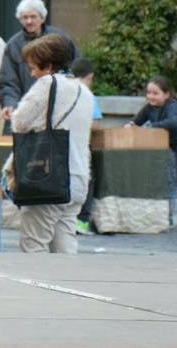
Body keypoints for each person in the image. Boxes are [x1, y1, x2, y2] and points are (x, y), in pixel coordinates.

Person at [11, 33, 93, 254]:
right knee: (65, 243)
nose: (32, 73)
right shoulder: (84, 92)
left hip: (48, 176)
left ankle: (34, 286)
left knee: (33, 244)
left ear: (48, 65)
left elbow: (20, 122)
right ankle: (68, 283)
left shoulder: (48, 84)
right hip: (78, 179)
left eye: (34, 67)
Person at [126, 75, 177, 228]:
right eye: (149, 93)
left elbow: (173, 122)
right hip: (170, 144)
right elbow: (137, 120)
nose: (151, 96)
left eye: (155, 93)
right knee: (170, 179)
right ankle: (168, 217)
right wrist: (130, 125)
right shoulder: (149, 107)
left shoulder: (174, 106)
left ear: (166, 94)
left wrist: (150, 127)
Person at [0, 0, 79, 129]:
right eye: (24, 17)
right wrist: (10, 104)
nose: (29, 21)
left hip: (58, 109)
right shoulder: (13, 45)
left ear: (42, 18)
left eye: (33, 16)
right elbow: (8, 81)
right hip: (27, 110)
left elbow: (75, 67)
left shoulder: (60, 39)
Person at [71, 56, 104, 233]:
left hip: (62, 145)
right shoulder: (88, 95)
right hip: (82, 147)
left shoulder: (64, 91)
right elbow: (96, 123)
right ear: (90, 77)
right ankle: (82, 220)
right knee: (87, 180)